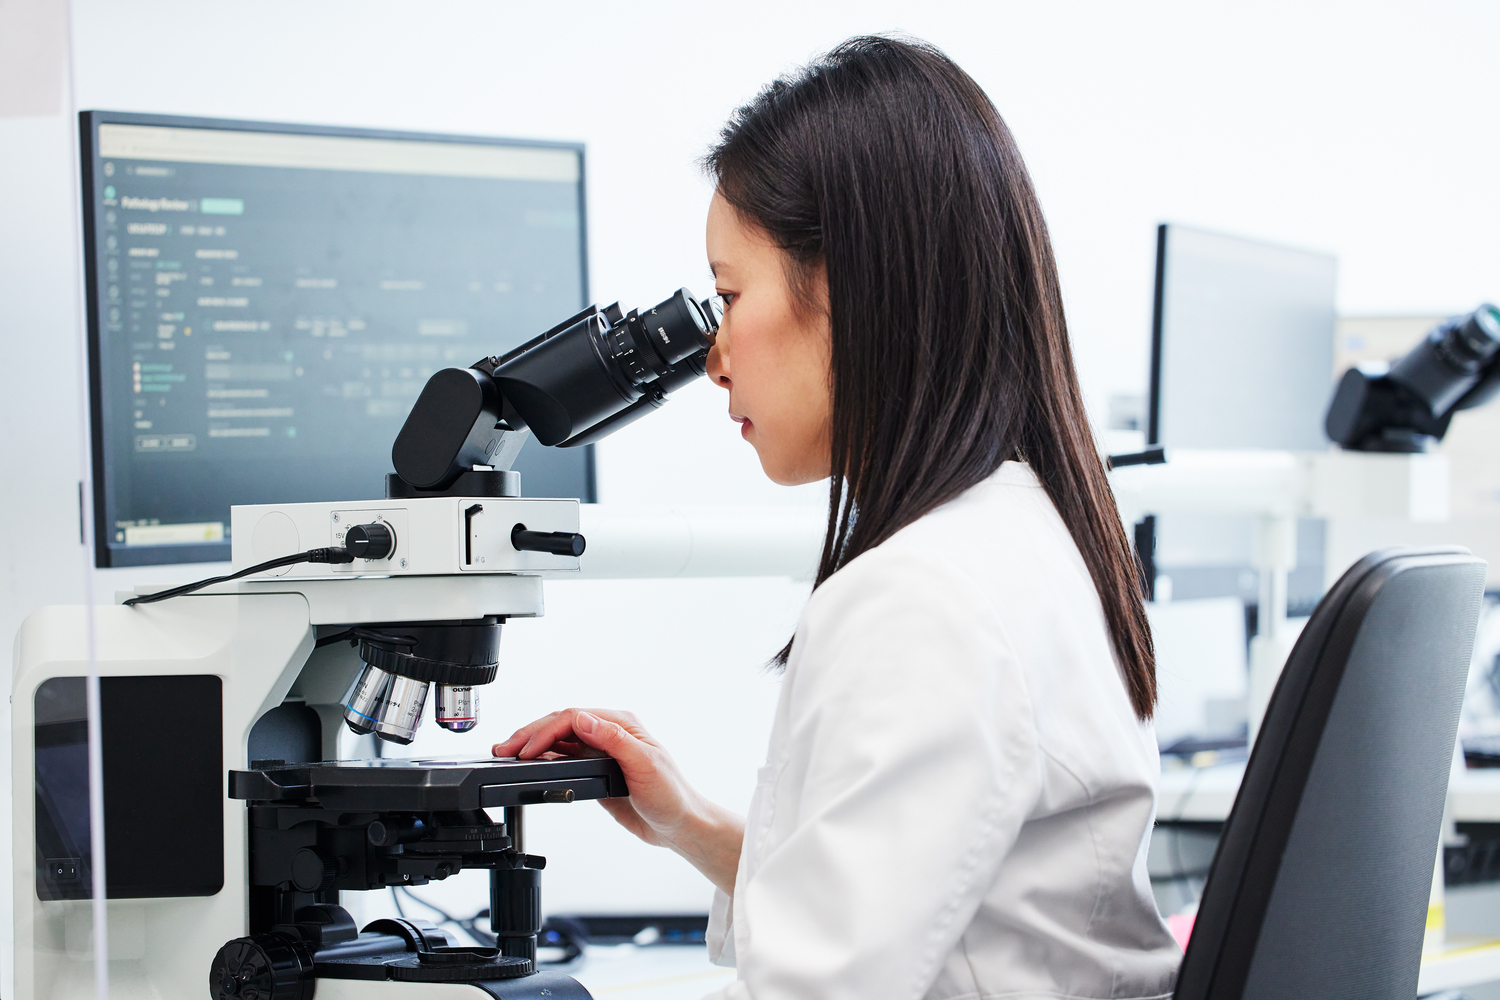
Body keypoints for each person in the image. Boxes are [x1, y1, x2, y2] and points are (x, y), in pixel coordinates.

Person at [493, 35, 1181, 1000]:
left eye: (729, 296)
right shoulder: (1023, 534)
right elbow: (947, 909)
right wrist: (691, 822)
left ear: (851, 289)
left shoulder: (924, 597)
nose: (712, 357)